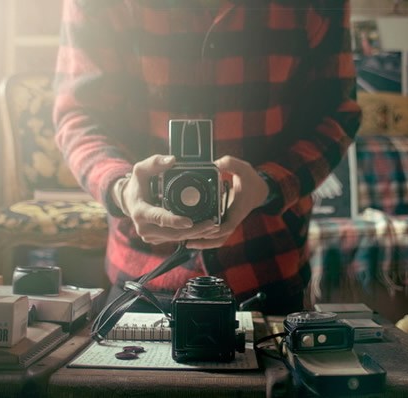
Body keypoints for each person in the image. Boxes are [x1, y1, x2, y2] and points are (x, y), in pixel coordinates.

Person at [53, 0, 361, 315]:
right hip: (144, 274)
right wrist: (121, 188)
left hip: (267, 264)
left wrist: (268, 185)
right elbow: (79, 117)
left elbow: (335, 114)